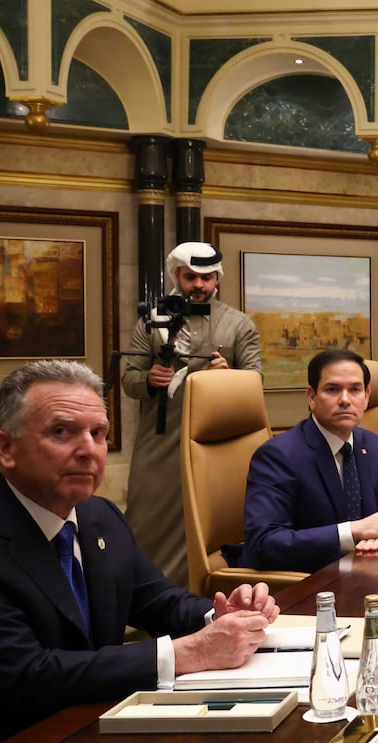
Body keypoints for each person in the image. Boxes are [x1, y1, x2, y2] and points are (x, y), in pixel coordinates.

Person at [0, 360, 278, 743]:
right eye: (61, 432)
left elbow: (158, 602)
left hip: (90, 738)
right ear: (6, 448)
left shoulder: (98, 515)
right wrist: (190, 652)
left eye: (98, 433)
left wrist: (219, 612)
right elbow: (27, 675)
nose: (88, 450)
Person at [120, 241, 262, 588]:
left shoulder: (239, 324)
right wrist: (150, 379)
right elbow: (128, 379)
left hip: (218, 446)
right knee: (148, 521)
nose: (199, 285)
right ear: (177, 276)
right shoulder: (149, 322)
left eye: (206, 277)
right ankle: (147, 607)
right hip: (160, 442)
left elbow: (255, 381)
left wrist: (229, 375)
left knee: (214, 522)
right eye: (190, 277)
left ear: (217, 280)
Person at [243, 349, 378, 572]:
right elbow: (264, 543)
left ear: (367, 396)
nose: (345, 400)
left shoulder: (372, 445)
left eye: (355, 390)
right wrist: (354, 531)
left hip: (365, 570)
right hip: (308, 581)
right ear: (312, 397)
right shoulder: (279, 455)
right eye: (333, 390)